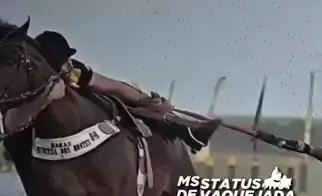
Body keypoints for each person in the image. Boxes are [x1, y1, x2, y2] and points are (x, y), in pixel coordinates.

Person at [34, 30, 221, 153]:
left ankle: (187, 131)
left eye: (68, 60)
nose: (69, 66)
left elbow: (112, 86)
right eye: (63, 63)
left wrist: (146, 100)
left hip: (101, 110)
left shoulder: (75, 71)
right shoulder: (39, 86)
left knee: (136, 110)